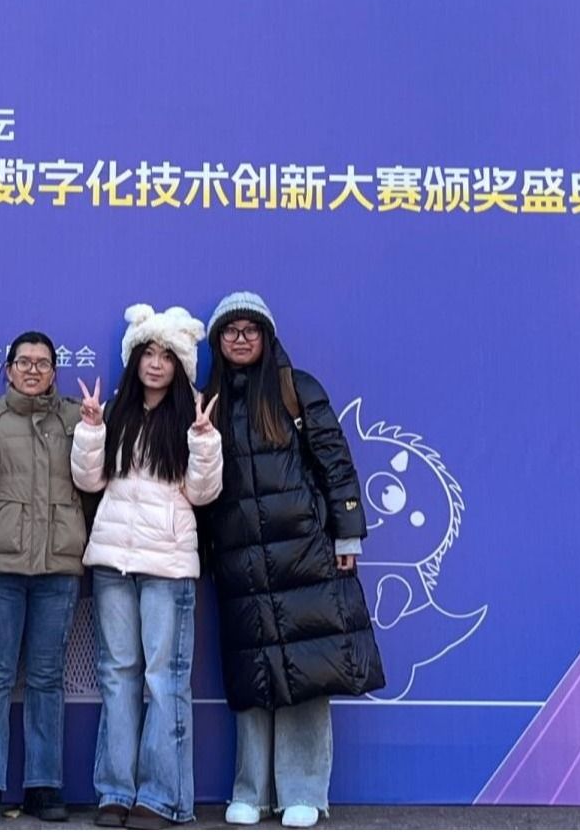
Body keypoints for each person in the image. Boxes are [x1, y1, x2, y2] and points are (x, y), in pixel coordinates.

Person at [199, 292, 385, 829]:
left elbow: (335, 463)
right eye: (230, 330)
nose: (240, 339)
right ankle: (251, 792)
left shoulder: (296, 388)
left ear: (267, 337)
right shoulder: (207, 400)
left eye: (250, 330)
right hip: (240, 561)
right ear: (217, 341)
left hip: (304, 552)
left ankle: (304, 791)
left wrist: (347, 537)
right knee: (252, 674)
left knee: (308, 668)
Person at [71, 304, 223, 828]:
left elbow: (203, 494)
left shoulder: (192, 417)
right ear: (134, 359)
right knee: (117, 677)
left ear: (180, 365)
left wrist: (204, 440)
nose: (155, 364)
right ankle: (114, 791)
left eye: (167, 356)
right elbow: (90, 481)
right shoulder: (116, 411)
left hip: (168, 567)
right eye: (148, 353)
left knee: (164, 681)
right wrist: (91, 429)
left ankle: (161, 797)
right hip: (112, 561)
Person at [0, 331, 87, 824]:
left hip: (58, 564)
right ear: (8, 368)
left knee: (48, 678)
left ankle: (43, 785)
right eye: (24, 362)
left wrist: (95, 429)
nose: (33, 370)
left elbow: (92, 481)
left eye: (43, 363)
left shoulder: (74, 418)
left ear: (55, 371)